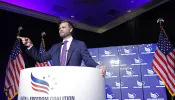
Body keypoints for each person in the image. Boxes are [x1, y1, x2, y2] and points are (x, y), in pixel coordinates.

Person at [17, 20, 106, 76]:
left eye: (63, 27)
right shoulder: (55, 47)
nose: (60, 29)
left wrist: (98, 66)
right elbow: (40, 58)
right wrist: (30, 45)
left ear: (70, 30)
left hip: (74, 82)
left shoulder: (80, 45)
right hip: (57, 82)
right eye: (59, 28)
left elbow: (87, 60)